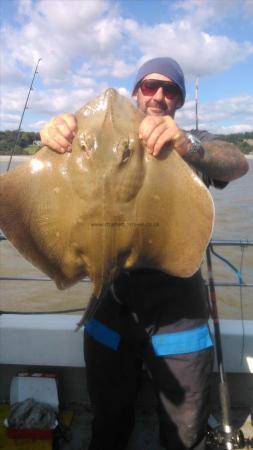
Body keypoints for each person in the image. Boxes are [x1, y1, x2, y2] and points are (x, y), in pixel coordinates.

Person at [40, 57, 249, 450]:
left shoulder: (186, 143)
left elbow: (235, 163)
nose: (158, 95)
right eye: (150, 86)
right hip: (109, 306)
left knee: (184, 432)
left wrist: (188, 144)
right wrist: (52, 135)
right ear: (136, 93)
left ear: (179, 101)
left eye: (170, 89)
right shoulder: (90, 139)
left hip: (178, 314)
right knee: (109, 418)